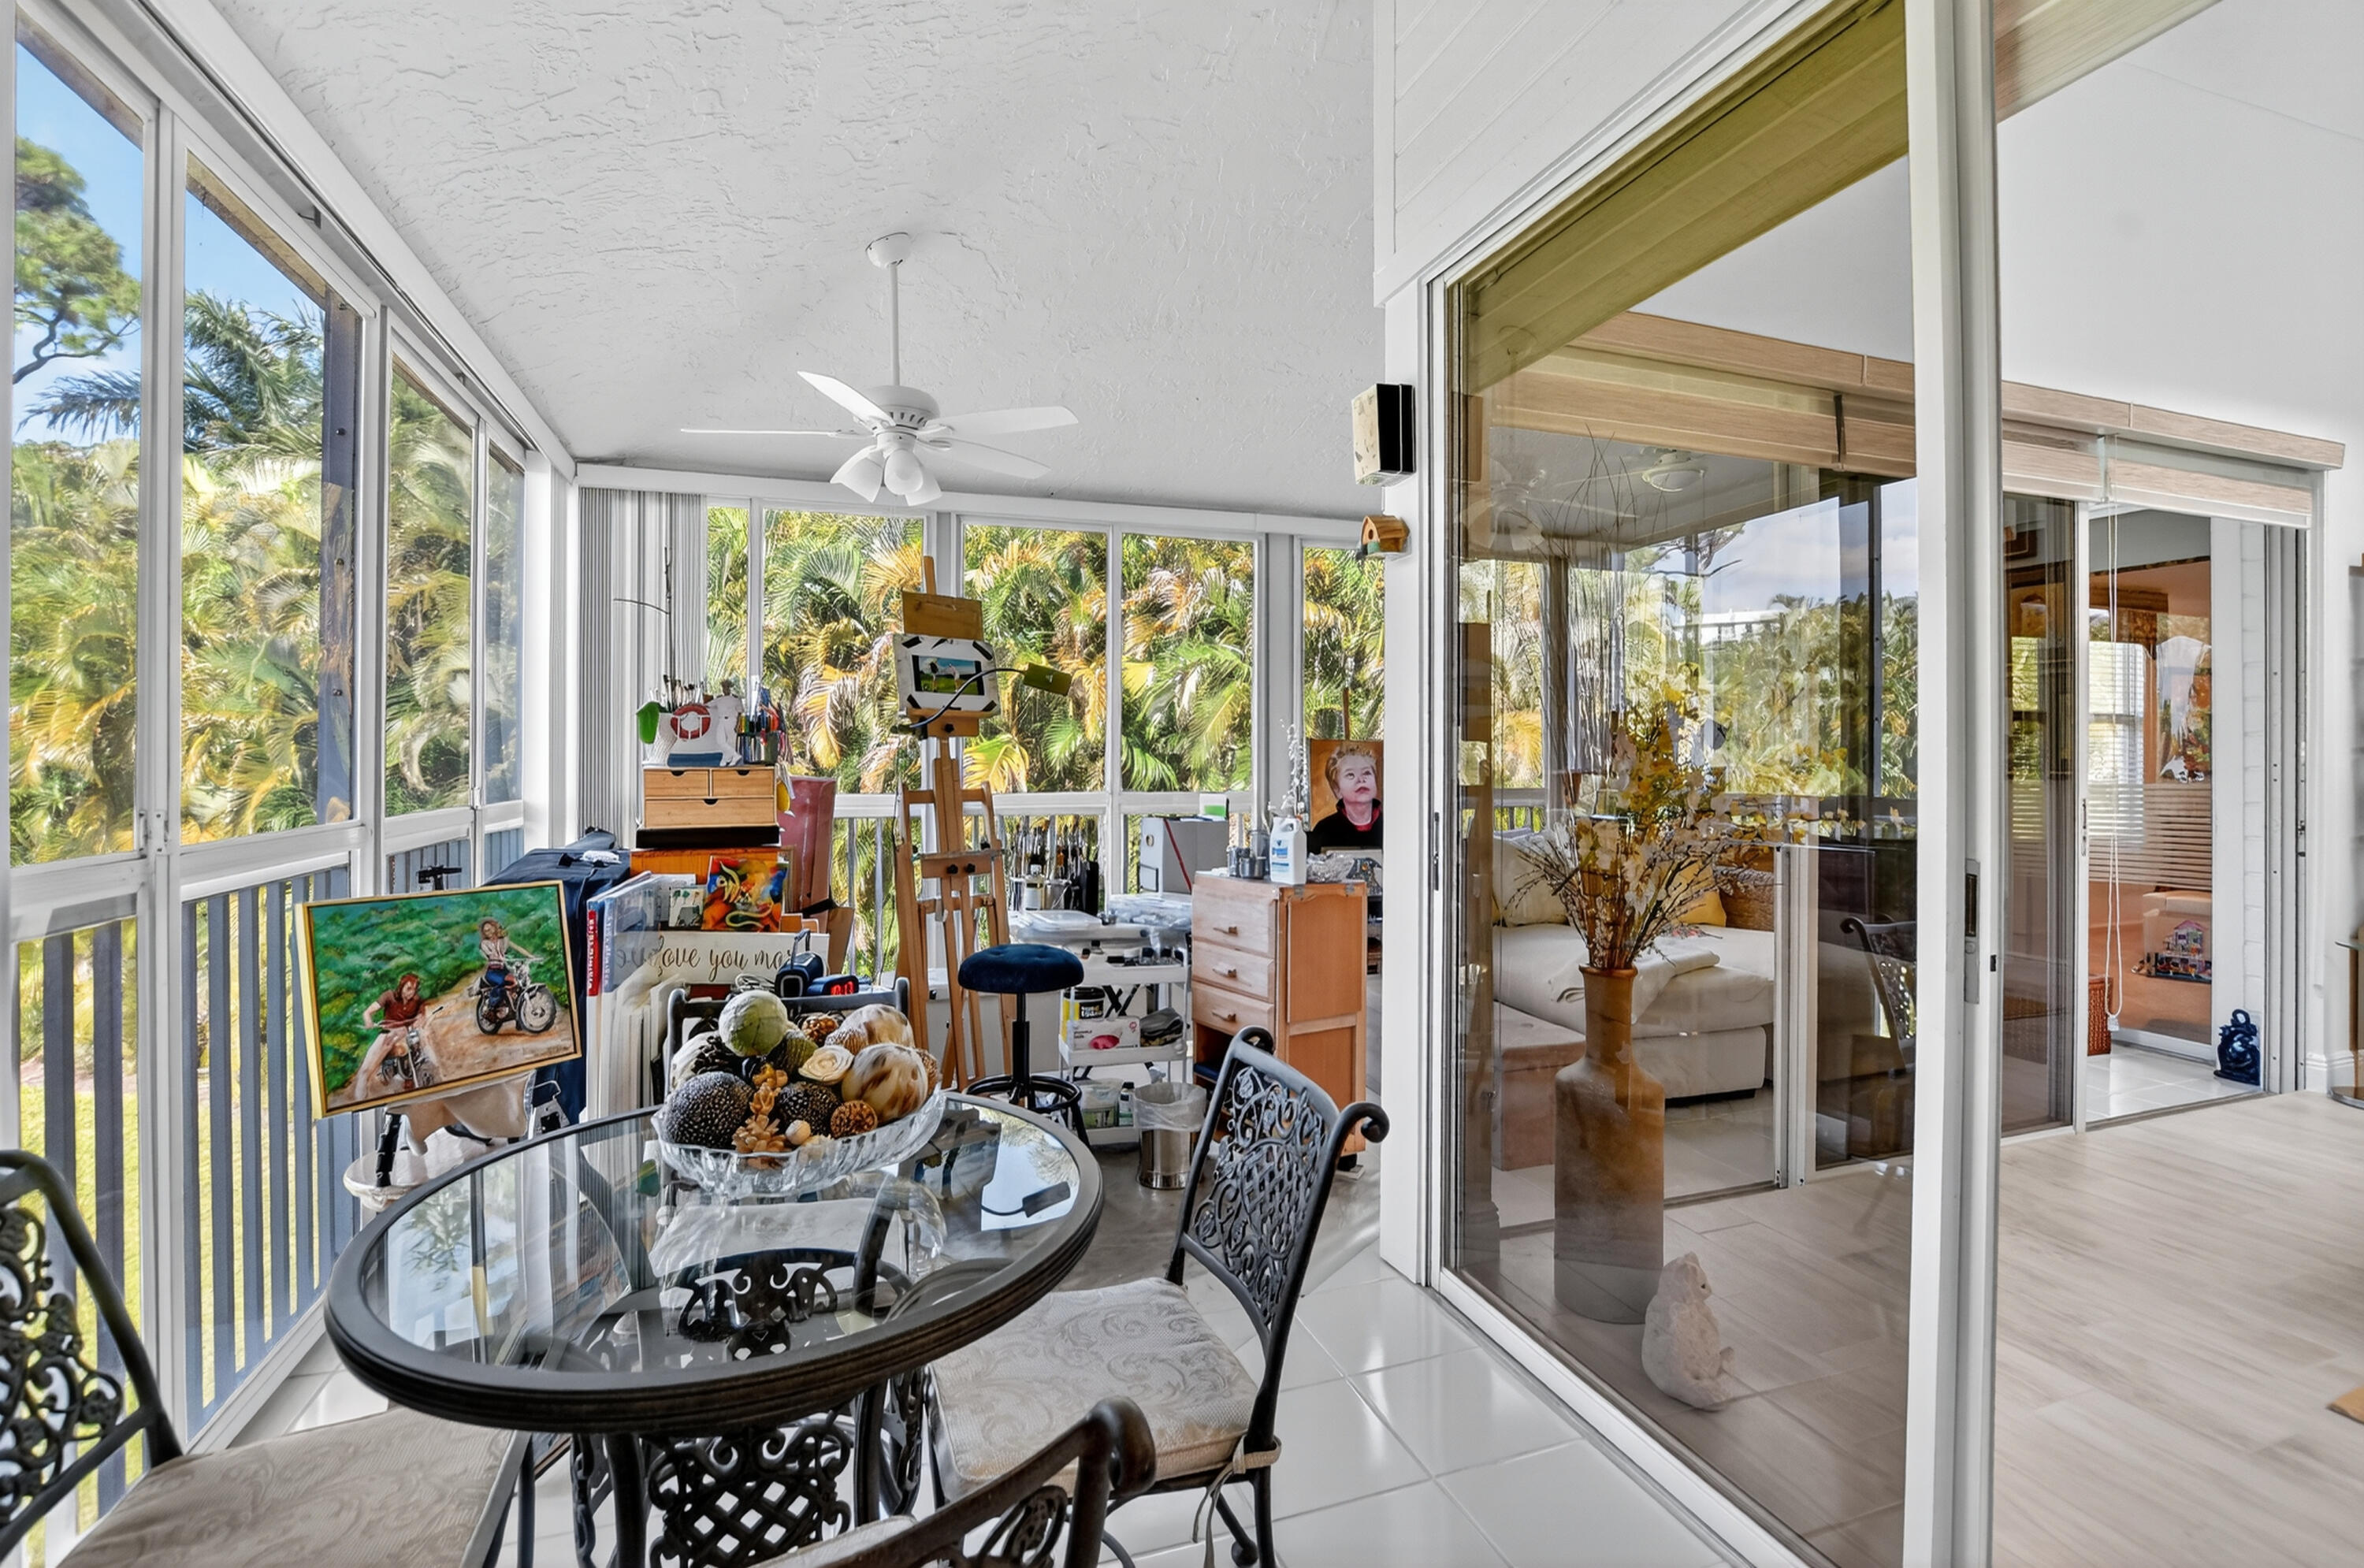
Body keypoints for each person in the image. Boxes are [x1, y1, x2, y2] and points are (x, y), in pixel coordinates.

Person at [1308, 742, 1382, 851]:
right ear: (1337, 788)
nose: (1361, 780)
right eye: (1350, 775)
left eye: (1366, 773)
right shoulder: (1325, 830)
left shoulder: (1389, 825)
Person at [360, 973, 429, 1087]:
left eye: (414, 989)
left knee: (417, 1041)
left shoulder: (417, 1000)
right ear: (401, 987)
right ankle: (378, 1072)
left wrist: (421, 1017)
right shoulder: (389, 996)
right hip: (388, 1032)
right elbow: (367, 1012)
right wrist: (368, 1021)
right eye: (408, 988)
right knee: (372, 1059)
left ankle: (413, 1073)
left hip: (405, 1032)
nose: (411, 992)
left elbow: (423, 1010)